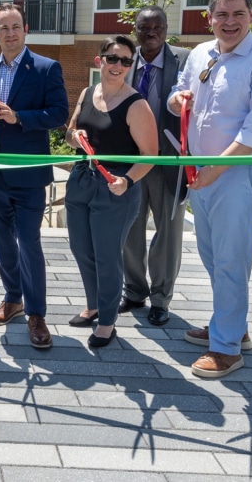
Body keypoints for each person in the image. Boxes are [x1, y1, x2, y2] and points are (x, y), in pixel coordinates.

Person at [168, 0, 252, 378]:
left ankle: (226, 349)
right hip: (202, 174)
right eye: (221, 15)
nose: (229, 21)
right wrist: (176, 101)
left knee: (231, 259)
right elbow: (177, 94)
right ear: (210, 18)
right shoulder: (201, 53)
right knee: (211, 255)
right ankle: (233, 327)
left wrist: (214, 171)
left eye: (238, 13)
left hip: (238, 175)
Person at [0, 3, 68, 349]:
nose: (10, 33)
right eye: (3, 27)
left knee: (28, 242)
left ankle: (37, 314)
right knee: (1, 242)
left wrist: (19, 117)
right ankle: (12, 299)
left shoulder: (46, 68)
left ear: (26, 29)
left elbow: (59, 113)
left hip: (28, 175)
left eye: (15, 27)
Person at [65, 36, 157, 348]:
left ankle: (107, 320)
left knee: (107, 256)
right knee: (81, 249)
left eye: (126, 61)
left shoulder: (136, 105)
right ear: (99, 60)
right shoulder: (87, 92)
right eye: (112, 58)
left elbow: (149, 155)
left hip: (116, 185)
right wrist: (74, 136)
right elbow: (69, 133)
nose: (118, 65)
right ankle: (93, 305)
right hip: (82, 180)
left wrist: (127, 181)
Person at [121, 7, 190, 326]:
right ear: (134, 30)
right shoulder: (122, 59)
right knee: (129, 230)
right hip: (132, 163)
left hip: (169, 163)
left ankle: (161, 298)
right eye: (143, 27)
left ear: (166, 28)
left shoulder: (186, 60)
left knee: (168, 233)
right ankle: (135, 290)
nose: (151, 32)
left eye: (157, 27)